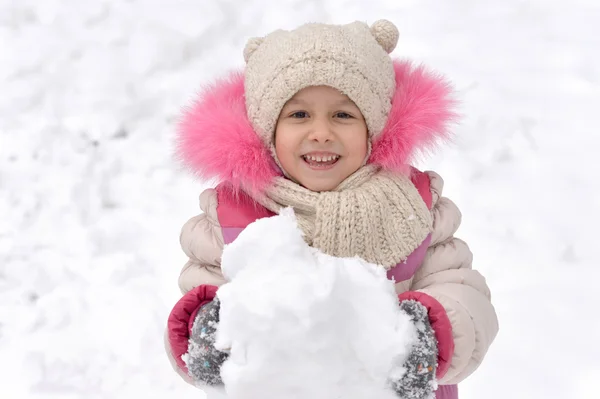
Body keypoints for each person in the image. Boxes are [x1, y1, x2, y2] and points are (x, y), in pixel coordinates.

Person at [164, 19, 498, 399]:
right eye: (298, 115)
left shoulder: (414, 206)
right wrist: (206, 335)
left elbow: (464, 297)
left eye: (343, 115)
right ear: (266, 132)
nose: (321, 132)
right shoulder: (234, 214)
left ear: (374, 127)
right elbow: (199, 296)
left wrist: (428, 337)